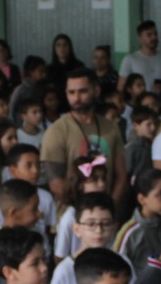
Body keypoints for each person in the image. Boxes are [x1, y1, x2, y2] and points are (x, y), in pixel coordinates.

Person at [42, 70, 127, 207]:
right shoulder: (56, 131)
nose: (76, 98)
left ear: (96, 91)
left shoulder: (111, 128)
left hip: (106, 211)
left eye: (83, 91)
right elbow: (55, 183)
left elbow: (121, 176)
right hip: (71, 213)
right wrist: (84, 211)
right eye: (71, 92)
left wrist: (109, 206)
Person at [118, 20, 161, 97]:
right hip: (139, 105)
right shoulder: (130, 59)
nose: (154, 37)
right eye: (149, 35)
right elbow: (120, 88)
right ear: (140, 39)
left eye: (155, 34)